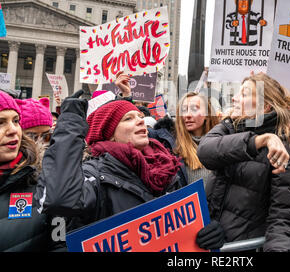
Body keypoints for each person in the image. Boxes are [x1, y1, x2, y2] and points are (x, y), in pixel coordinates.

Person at [34, 90, 186, 234]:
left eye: (140, 116)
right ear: (109, 134)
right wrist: (70, 123)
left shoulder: (166, 165)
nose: (140, 121)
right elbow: (59, 199)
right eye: (128, 118)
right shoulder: (93, 175)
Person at [196, 73, 290, 252]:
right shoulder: (229, 127)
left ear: (265, 106)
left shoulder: (282, 152)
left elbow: (283, 218)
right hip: (208, 244)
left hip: (241, 249)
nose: (235, 98)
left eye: (244, 94)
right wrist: (258, 141)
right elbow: (205, 151)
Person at [0, 91, 58, 251]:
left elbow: (60, 241)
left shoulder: (45, 183)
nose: (12, 130)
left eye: (16, 121)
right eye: (0, 122)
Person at [174, 92, 220, 186]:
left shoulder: (221, 144)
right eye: (184, 110)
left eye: (194, 109)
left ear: (207, 114)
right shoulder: (173, 147)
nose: (187, 115)